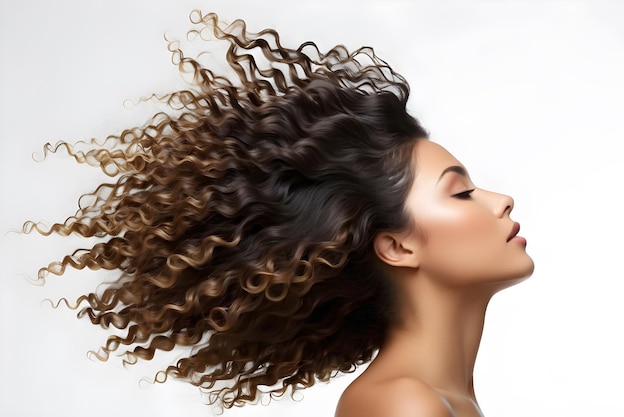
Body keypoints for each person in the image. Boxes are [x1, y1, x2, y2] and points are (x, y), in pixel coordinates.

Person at [26, 10, 534, 417]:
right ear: (397, 246)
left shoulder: (438, 399)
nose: (501, 200)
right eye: (461, 193)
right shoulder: (403, 404)